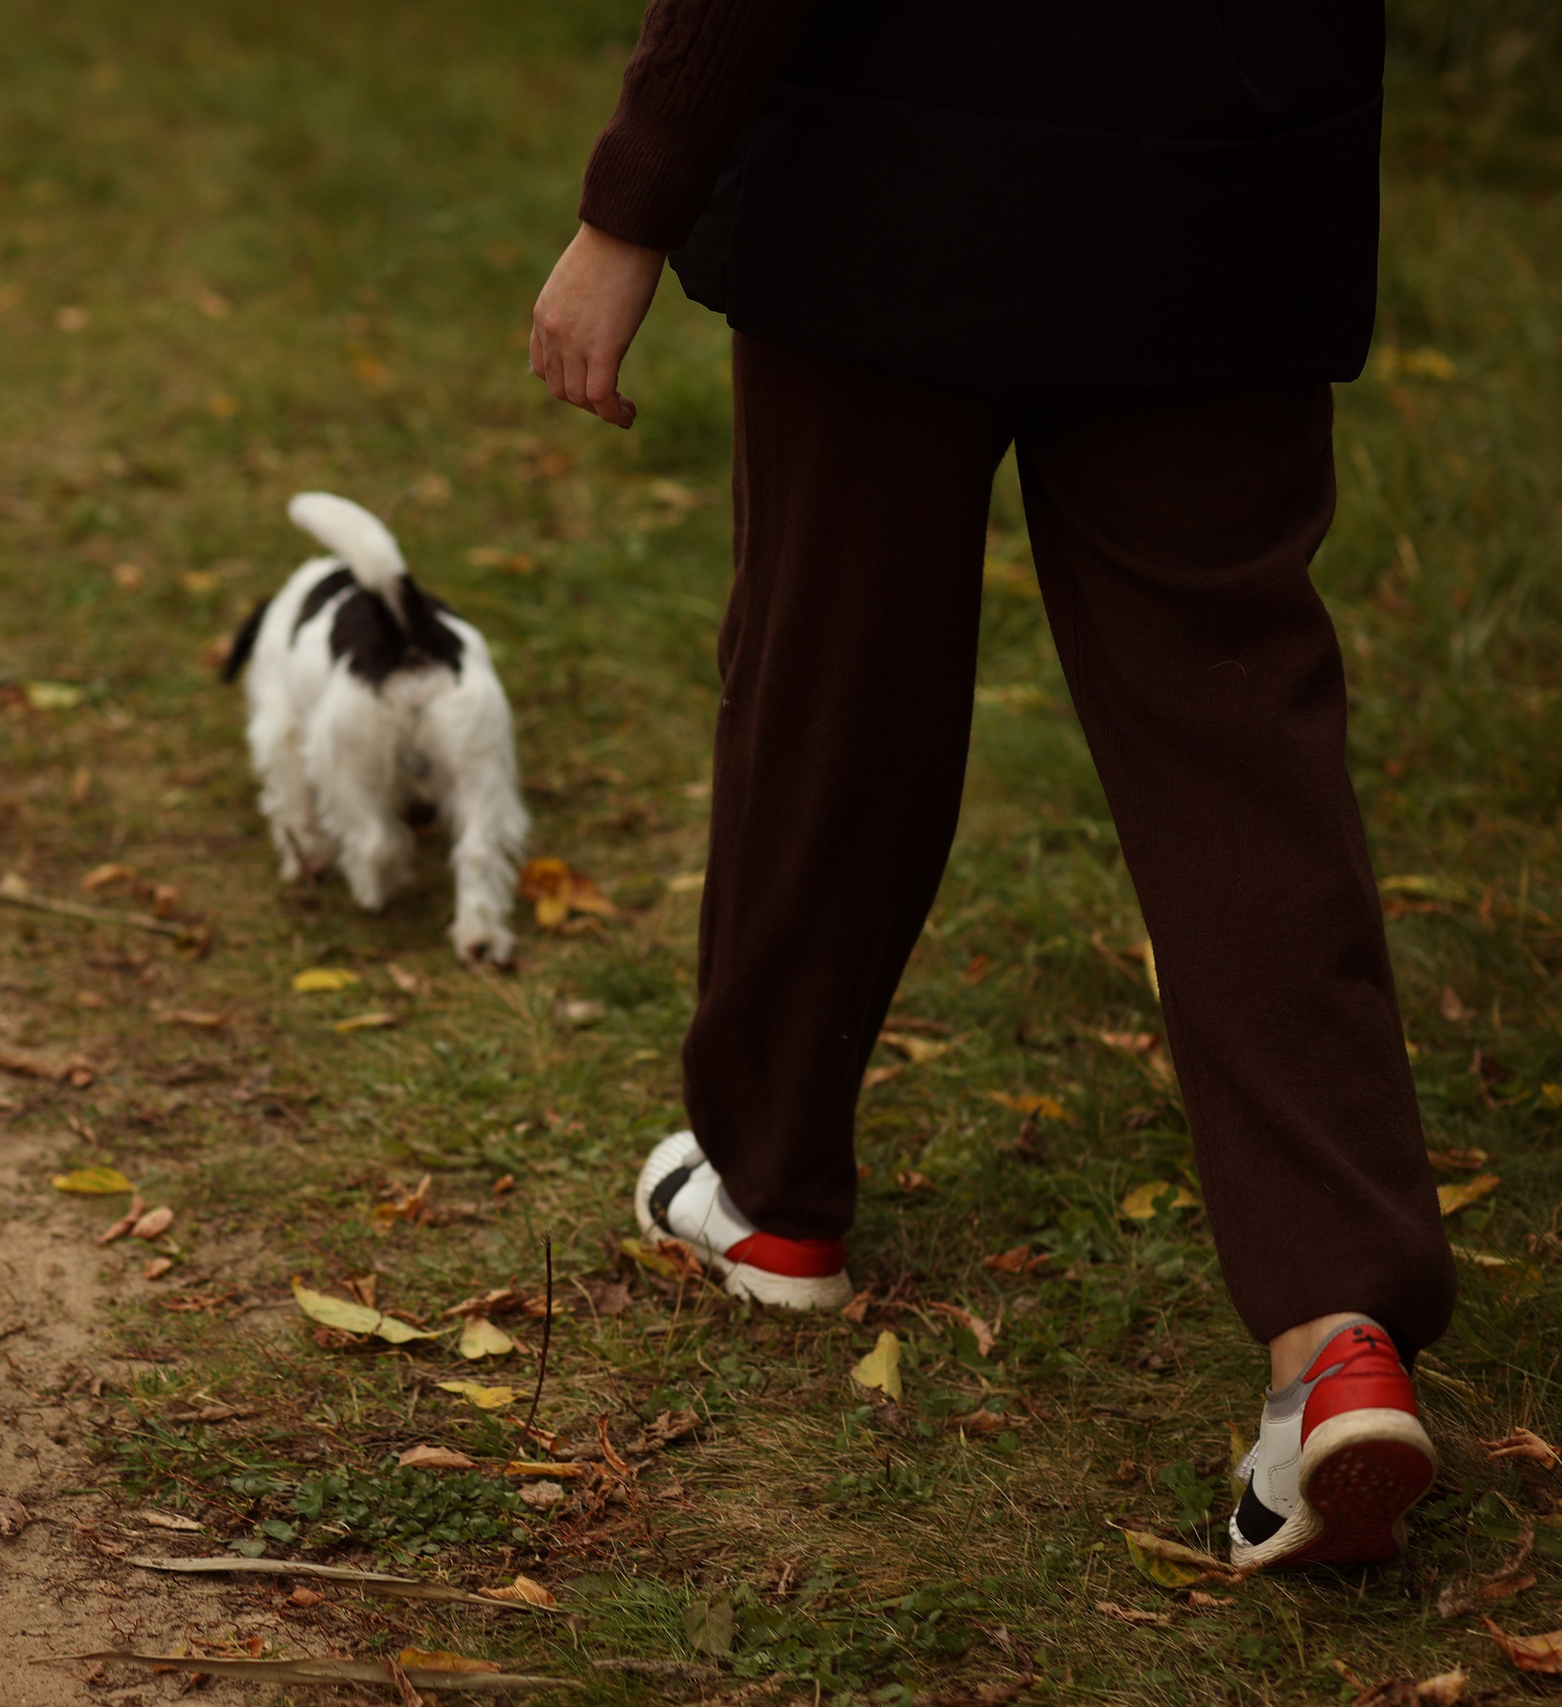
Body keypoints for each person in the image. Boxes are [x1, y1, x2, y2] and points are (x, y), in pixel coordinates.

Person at [527, 0, 1456, 1570]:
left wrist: (633, 199)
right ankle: (1335, 1338)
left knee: (838, 690)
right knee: (1241, 748)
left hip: (893, 175)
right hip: (1227, 180)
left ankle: (771, 1190)